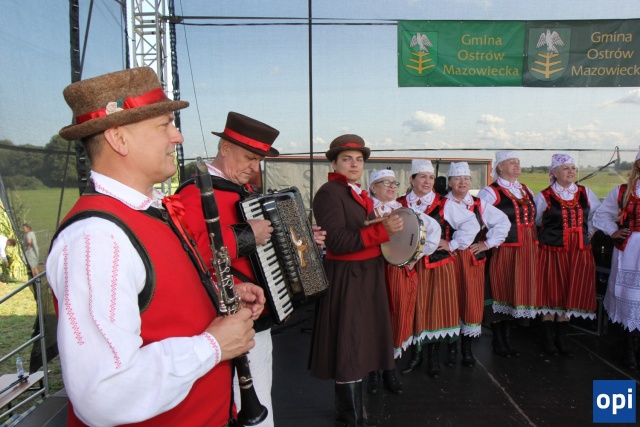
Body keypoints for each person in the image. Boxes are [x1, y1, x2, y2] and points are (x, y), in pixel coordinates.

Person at [47, 67, 264, 427]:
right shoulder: (97, 238)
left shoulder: (148, 211)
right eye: (164, 125)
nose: (177, 136)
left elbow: (159, 298)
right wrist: (212, 346)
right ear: (119, 138)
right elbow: (103, 393)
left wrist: (216, 296)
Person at [179, 111, 326, 427]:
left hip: (256, 317)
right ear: (225, 148)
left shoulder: (242, 192)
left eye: (258, 160)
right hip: (222, 320)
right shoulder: (194, 193)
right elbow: (188, 252)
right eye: (248, 157)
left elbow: (268, 247)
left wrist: (301, 240)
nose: (254, 167)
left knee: (260, 399)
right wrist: (246, 235)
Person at [309, 134, 402, 427]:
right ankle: (349, 419)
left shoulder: (356, 193)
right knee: (349, 345)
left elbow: (363, 231)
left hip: (366, 275)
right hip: (348, 277)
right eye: (347, 159)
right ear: (334, 163)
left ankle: (355, 414)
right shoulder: (329, 193)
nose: (354, 164)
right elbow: (336, 241)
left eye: (359, 160)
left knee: (360, 343)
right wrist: (383, 231)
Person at [397, 159, 479, 379]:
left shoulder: (444, 203)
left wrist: (452, 244)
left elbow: (471, 223)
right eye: (423, 177)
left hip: (437, 266)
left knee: (435, 311)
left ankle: (432, 356)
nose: (427, 181)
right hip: (408, 266)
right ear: (412, 179)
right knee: (413, 309)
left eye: (431, 177)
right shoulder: (400, 203)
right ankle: (415, 355)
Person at [365, 168, 440, 395]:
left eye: (394, 183)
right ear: (373, 187)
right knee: (372, 319)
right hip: (372, 272)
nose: (391, 187)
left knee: (397, 318)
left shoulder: (406, 211)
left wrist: (414, 257)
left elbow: (433, 230)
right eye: (385, 182)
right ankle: (372, 372)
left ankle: (390, 370)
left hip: (398, 273)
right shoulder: (364, 210)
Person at [534, 154, 600, 357]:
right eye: (565, 168)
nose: (571, 171)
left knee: (571, 290)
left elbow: (597, 215)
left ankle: (561, 338)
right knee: (550, 291)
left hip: (578, 251)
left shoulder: (585, 192)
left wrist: (588, 232)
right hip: (552, 251)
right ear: (554, 172)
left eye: (572, 168)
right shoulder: (544, 196)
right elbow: (536, 221)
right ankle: (547, 338)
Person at [445, 162, 510, 367]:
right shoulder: (441, 203)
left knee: (470, 302)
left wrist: (487, 243)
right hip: (446, 259)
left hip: (472, 259)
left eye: (466, 178)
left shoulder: (479, 204)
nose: (462, 182)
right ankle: (451, 348)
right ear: (449, 182)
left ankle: (466, 349)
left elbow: (503, 222)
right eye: (457, 178)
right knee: (449, 301)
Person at [478, 151, 539, 358]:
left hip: (527, 248)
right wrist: (487, 242)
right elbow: (479, 219)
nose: (517, 165)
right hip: (504, 247)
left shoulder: (526, 189)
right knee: (501, 288)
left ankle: (507, 337)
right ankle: (498, 338)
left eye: (518, 162)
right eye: (512, 162)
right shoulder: (490, 192)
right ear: (500, 167)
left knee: (516, 289)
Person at [593, 146, 640, 368]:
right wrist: (613, 231)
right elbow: (602, 214)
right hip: (631, 249)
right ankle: (629, 347)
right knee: (630, 295)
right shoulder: (623, 191)